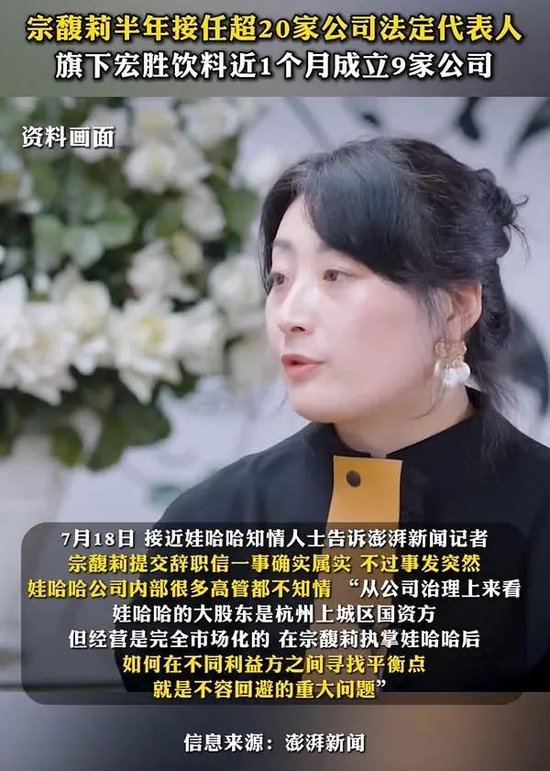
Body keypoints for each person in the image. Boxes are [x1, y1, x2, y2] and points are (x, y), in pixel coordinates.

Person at [118, 137, 550, 698]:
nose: (290, 315)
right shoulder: (211, 520)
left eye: (335, 276)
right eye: (280, 279)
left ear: (455, 306)